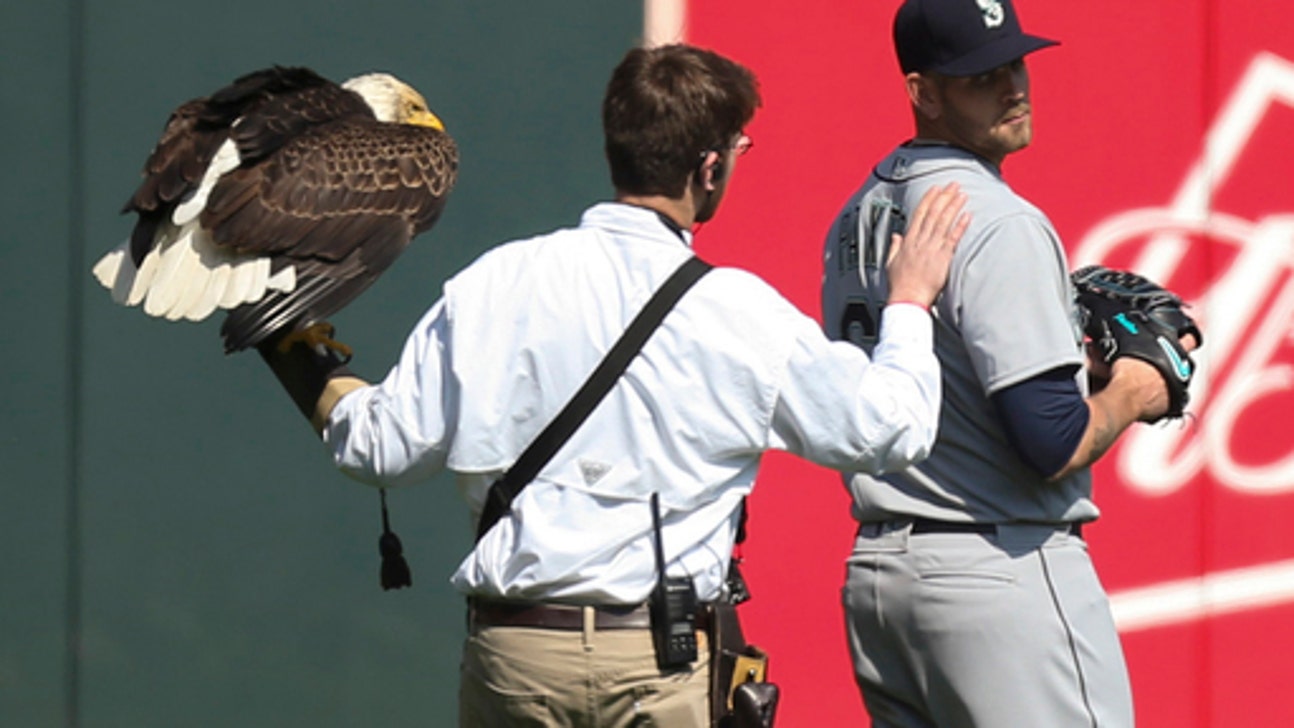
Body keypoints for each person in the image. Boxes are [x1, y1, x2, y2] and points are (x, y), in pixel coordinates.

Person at [263, 43, 967, 727]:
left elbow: (377, 448)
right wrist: (908, 303)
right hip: (657, 664)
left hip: (516, 657)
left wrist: (285, 341)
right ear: (710, 168)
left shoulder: (494, 283)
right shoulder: (738, 312)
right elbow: (890, 428)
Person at [820, 1, 1202, 726]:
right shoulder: (999, 220)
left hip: (880, 583)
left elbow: (945, 385)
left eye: (1015, 63)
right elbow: (1050, 441)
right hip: (997, 574)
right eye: (980, 77)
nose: (1012, 88)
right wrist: (1128, 390)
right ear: (923, 92)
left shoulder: (856, 214)